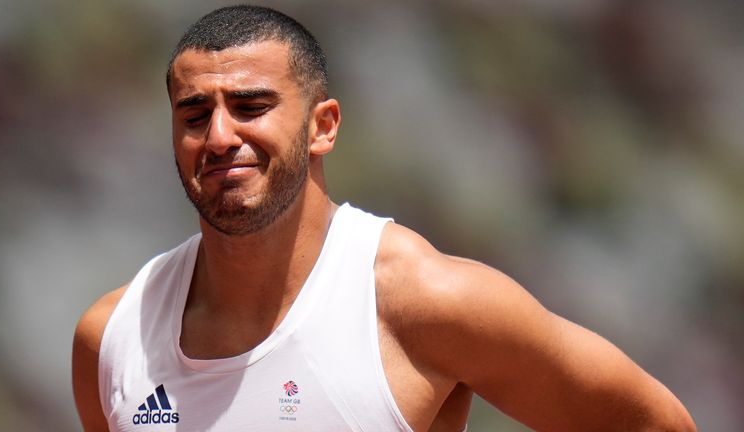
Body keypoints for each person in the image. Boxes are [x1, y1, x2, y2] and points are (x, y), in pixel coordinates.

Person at [72, 5, 696, 431]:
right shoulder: (112, 337)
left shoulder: (426, 301)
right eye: (193, 115)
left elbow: (653, 424)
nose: (219, 136)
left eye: (251, 106)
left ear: (323, 127)